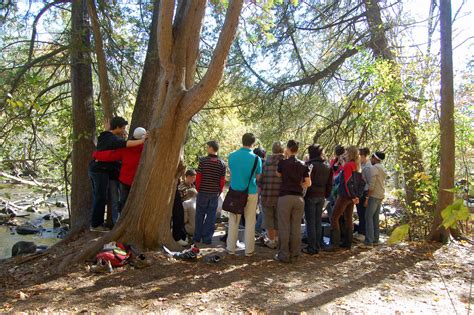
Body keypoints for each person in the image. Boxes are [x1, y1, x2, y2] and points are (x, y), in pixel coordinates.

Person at [88, 118, 146, 230]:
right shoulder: (116, 141)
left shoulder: (110, 138)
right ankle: (97, 224)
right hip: (104, 171)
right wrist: (143, 140)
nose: (124, 130)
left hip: (120, 177)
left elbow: (111, 154)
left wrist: (96, 155)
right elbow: (122, 144)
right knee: (103, 197)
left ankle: (114, 224)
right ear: (118, 127)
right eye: (123, 128)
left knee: (114, 200)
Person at [274, 140, 311, 263]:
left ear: (288, 148)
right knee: (296, 227)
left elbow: (278, 175)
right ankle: (295, 254)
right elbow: (308, 183)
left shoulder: (283, 163)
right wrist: (299, 183)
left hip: (285, 197)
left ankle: (283, 254)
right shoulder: (303, 164)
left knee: (284, 226)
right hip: (299, 198)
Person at [226, 133, 262, 256]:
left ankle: (230, 248)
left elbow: (231, 172)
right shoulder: (257, 159)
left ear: (242, 141)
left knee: (233, 220)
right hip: (250, 192)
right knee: (250, 221)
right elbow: (258, 177)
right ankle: (249, 250)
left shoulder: (232, 156)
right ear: (253, 143)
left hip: (235, 192)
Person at [193, 140, 226, 245]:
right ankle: (207, 239)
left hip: (203, 191)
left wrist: (198, 188)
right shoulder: (222, 163)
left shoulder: (203, 161)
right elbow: (222, 180)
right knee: (211, 217)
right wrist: (219, 191)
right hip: (214, 194)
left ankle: (197, 237)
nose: (207, 148)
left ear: (211, 148)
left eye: (208, 146)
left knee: (199, 215)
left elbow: (198, 177)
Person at [303, 144, 332, 255]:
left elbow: (306, 182)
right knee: (317, 221)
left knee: (310, 222)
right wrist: (326, 195)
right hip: (321, 196)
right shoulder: (327, 166)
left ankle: (312, 247)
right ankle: (317, 245)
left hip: (310, 196)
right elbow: (330, 183)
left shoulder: (310, 165)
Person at [329, 145, 360, 250]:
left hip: (344, 195)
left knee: (334, 217)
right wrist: (354, 196)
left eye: (346, 152)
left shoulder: (348, 166)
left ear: (350, 153)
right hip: (350, 196)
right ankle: (347, 243)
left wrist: (351, 196)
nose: (344, 154)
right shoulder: (355, 165)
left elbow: (347, 182)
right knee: (348, 218)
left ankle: (335, 244)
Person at [260, 141, 285, 249]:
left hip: (267, 194)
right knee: (278, 219)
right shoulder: (285, 163)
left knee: (269, 220)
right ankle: (278, 239)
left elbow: (260, 180)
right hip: (281, 196)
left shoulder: (265, 163)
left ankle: (272, 240)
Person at [363, 151, 387, 247]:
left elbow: (372, 185)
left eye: (372, 157)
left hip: (374, 195)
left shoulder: (374, 168)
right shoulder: (382, 168)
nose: (371, 159)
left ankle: (369, 241)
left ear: (375, 158)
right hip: (380, 194)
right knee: (375, 218)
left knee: (368, 217)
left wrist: (367, 198)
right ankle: (376, 239)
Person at [355, 147, 371, 240]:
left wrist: (367, 197)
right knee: (360, 213)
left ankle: (363, 233)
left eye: (359, 155)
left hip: (365, 193)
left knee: (363, 214)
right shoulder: (360, 165)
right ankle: (361, 231)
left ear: (363, 156)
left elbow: (369, 183)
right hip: (359, 192)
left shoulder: (368, 167)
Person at [326, 145, 345, 220]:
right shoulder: (332, 161)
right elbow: (330, 170)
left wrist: (342, 162)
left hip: (339, 187)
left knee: (337, 207)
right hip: (331, 185)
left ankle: (339, 224)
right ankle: (332, 222)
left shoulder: (345, 163)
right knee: (329, 204)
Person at [253, 147, 266, 235]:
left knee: (251, 210)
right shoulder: (265, 163)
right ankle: (258, 229)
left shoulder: (253, 161)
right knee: (262, 209)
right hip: (263, 188)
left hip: (253, 187)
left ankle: (252, 228)